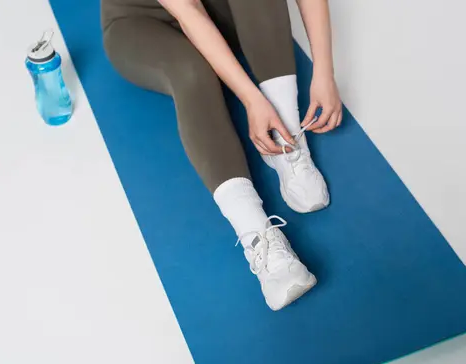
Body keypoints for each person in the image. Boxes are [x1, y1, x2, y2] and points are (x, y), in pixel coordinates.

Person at [101, 0, 342, 310]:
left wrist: (324, 73)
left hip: (219, 12)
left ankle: (286, 140)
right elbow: (189, 11)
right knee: (191, 71)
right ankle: (259, 238)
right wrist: (252, 100)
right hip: (139, 24)